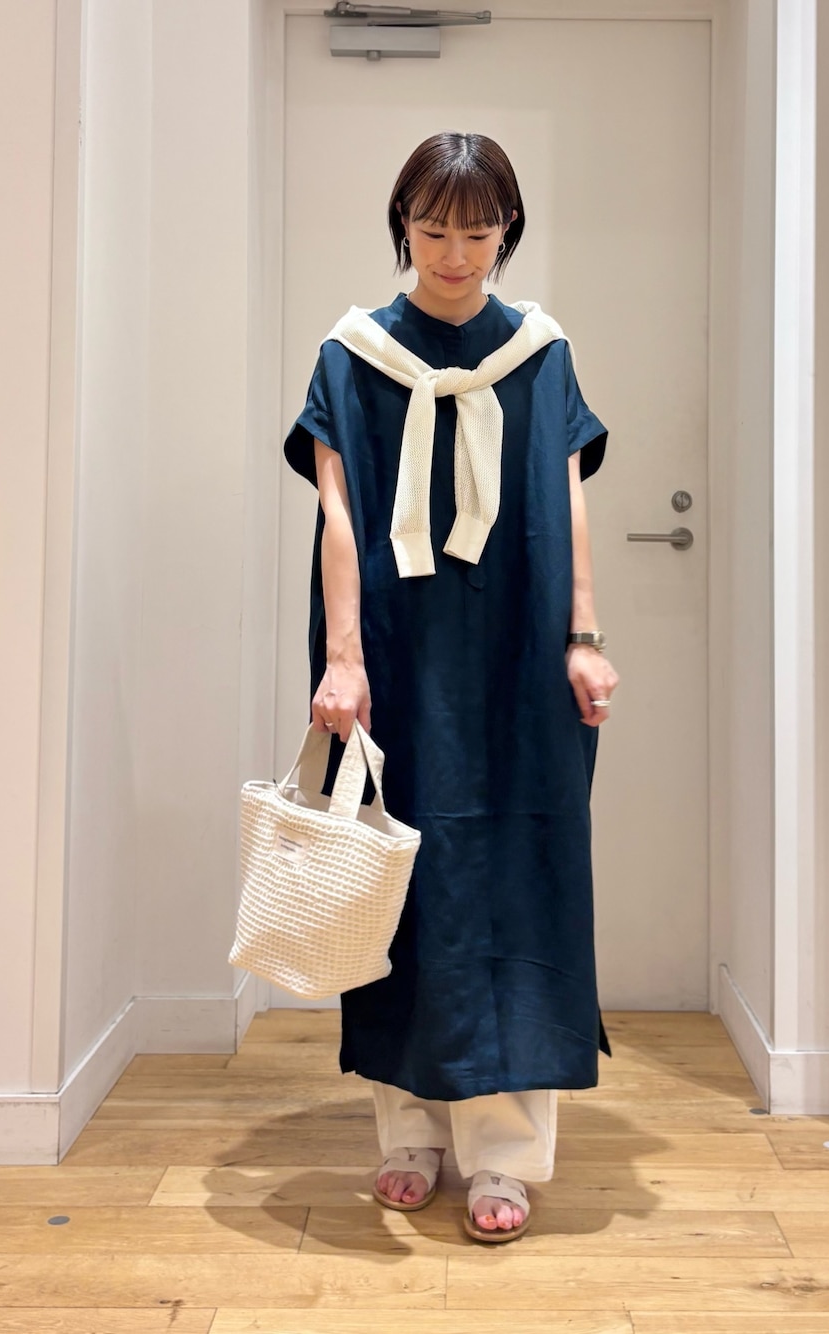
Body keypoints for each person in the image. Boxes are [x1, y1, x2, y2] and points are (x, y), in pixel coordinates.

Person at [283, 131, 619, 1243]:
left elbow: (568, 495)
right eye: (434, 230)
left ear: (506, 230)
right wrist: (342, 657)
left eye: (477, 232)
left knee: (519, 883)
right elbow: (337, 511)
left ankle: (505, 1153)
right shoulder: (353, 354)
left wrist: (584, 635)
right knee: (398, 882)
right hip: (393, 648)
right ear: (403, 226)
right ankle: (409, 1134)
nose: (456, 253)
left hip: (520, 651)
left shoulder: (540, 351)